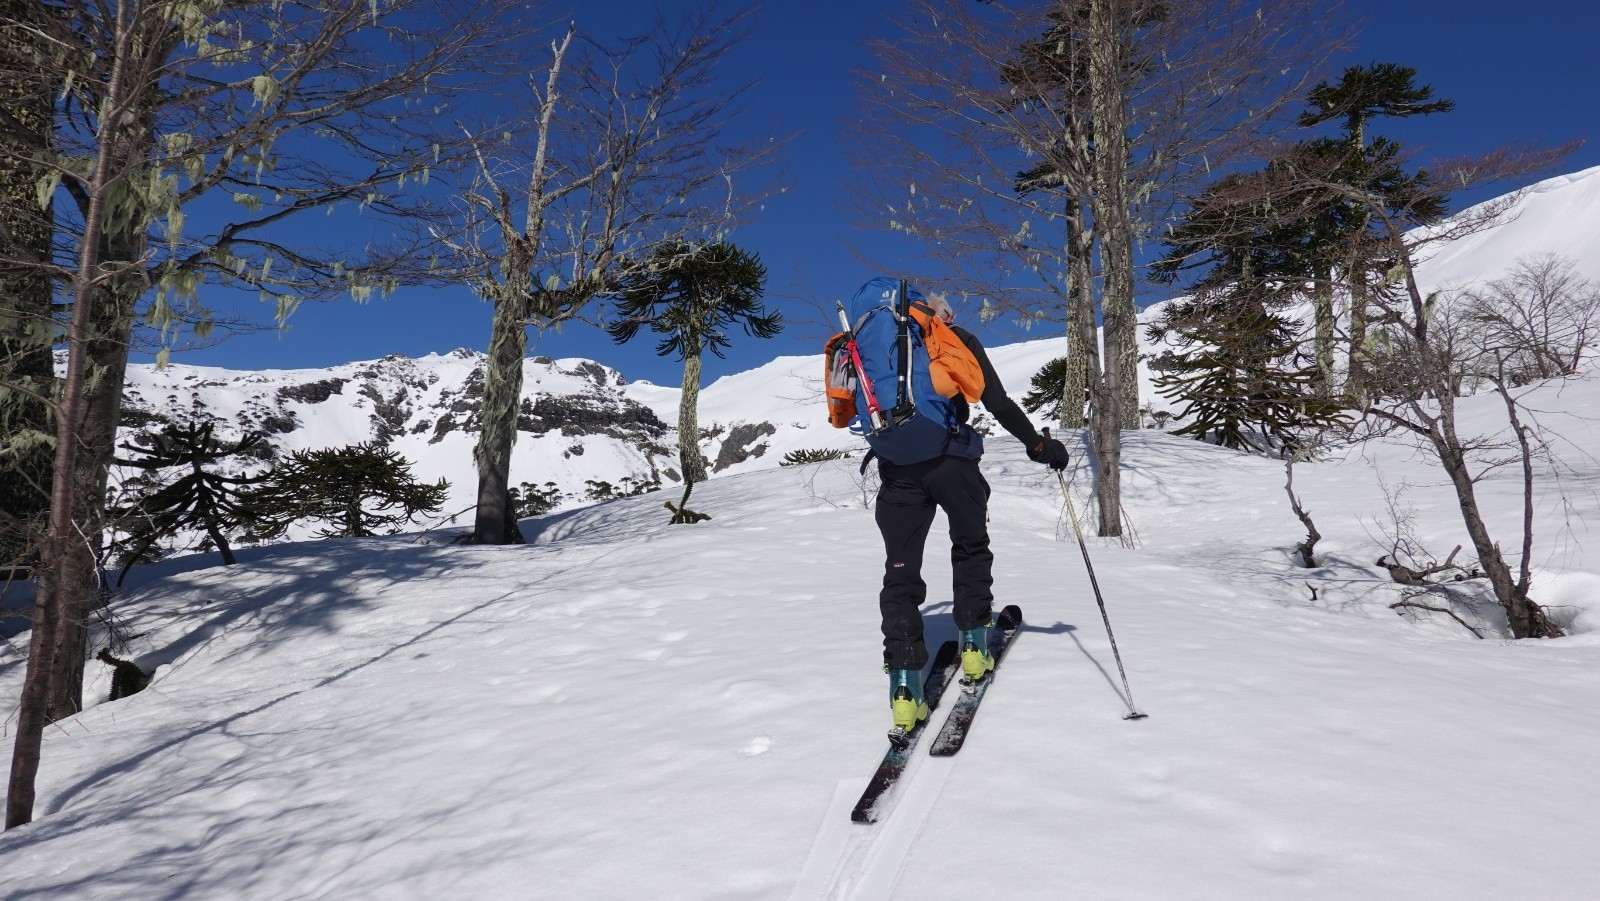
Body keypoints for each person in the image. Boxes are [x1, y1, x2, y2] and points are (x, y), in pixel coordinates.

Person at [876, 292, 1070, 735]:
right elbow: (997, 403)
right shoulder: (954, 338)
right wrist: (1038, 446)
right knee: (970, 546)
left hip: (897, 473)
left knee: (900, 571)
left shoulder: (880, 349)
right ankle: (972, 645)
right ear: (937, 315)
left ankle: (904, 690)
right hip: (952, 461)